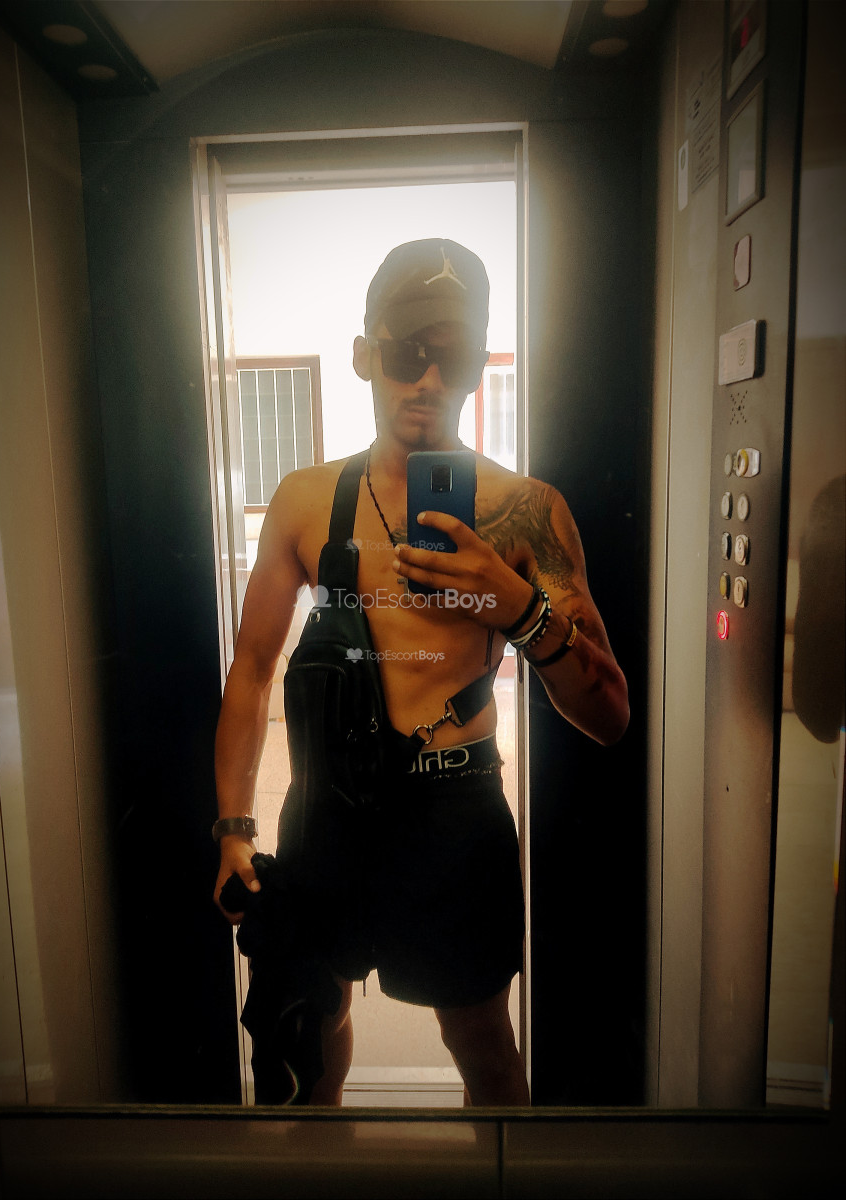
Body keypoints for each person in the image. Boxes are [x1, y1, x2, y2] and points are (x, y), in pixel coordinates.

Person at [213, 238, 629, 1106]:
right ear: (364, 355)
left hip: (453, 811)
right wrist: (233, 829)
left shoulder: (524, 510)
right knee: (312, 1020)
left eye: (456, 357)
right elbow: (250, 673)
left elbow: (609, 715)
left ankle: (504, 1175)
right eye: (406, 353)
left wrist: (518, 606)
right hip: (326, 808)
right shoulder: (304, 500)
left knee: (479, 1035)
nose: (429, 380)